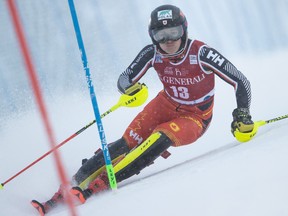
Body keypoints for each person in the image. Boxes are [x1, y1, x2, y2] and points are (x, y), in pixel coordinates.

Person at [31, 4, 254, 215]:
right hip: (165, 104)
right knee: (127, 142)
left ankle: (101, 184)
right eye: (160, 35)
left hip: (195, 117)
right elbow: (124, 78)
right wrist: (130, 88)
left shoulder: (202, 53)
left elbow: (240, 80)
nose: (168, 41)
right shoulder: (152, 53)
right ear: (152, 36)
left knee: (161, 136)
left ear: (184, 30)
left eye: (174, 32)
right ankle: (71, 185)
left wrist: (242, 113)